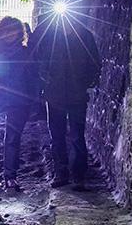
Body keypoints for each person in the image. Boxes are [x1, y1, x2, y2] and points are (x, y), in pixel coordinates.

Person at [32, 12, 100, 187]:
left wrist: (85, 82)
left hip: (76, 94)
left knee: (77, 135)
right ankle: (61, 173)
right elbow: (38, 59)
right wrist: (45, 80)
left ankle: (78, 176)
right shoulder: (49, 36)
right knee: (57, 135)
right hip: (55, 94)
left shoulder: (85, 36)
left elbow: (94, 63)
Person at [0, 16, 40, 189]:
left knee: (12, 139)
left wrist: (34, 102)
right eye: (8, 30)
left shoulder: (26, 53)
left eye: (14, 30)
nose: (11, 34)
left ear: (20, 33)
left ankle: (10, 176)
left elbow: (33, 79)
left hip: (20, 102)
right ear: (1, 32)